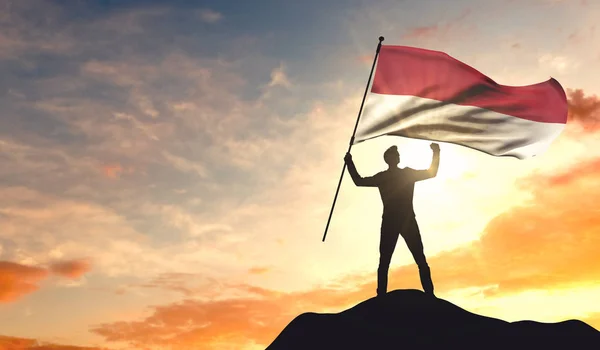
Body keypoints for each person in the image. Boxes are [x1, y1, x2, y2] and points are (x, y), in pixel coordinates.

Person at [344, 143, 440, 297]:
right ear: (388, 159)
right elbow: (359, 181)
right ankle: (381, 295)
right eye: (394, 155)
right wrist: (349, 162)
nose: (397, 156)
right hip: (393, 221)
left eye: (397, 155)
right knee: (385, 261)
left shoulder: (404, 174)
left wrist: (436, 152)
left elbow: (431, 173)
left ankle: (429, 294)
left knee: (419, 258)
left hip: (406, 220)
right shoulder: (386, 176)